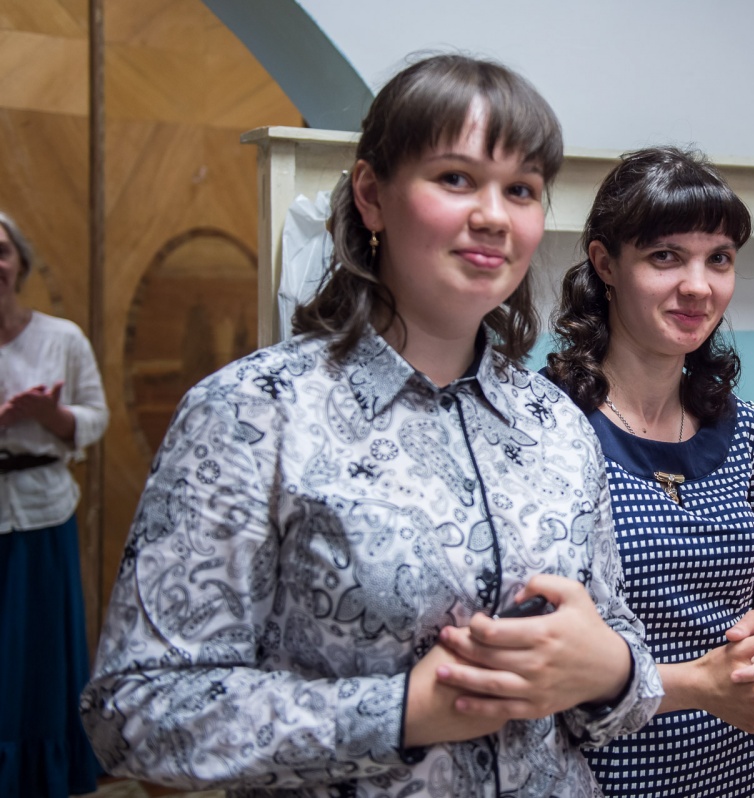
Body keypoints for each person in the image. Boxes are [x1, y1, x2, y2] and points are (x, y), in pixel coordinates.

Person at [80, 54, 662, 797]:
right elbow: (134, 711)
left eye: (520, 189)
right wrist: (401, 712)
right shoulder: (255, 411)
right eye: (456, 178)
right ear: (371, 195)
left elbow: (620, 662)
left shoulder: (555, 423)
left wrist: (612, 671)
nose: (493, 215)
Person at [534, 146, 754, 797]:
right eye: (666, 256)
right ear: (605, 263)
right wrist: (697, 685)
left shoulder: (741, 428)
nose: (698, 286)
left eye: (719, 259)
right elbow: (541, 648)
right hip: (599, 779)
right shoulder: (545, 424)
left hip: (734, 776)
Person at [0, 211, 107, 797]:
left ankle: (43, 775)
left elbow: (96, 416)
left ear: (20, 262)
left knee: (38, 652)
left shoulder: (62, 338)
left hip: (43, 514)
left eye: (0, 251)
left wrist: (52, 416)